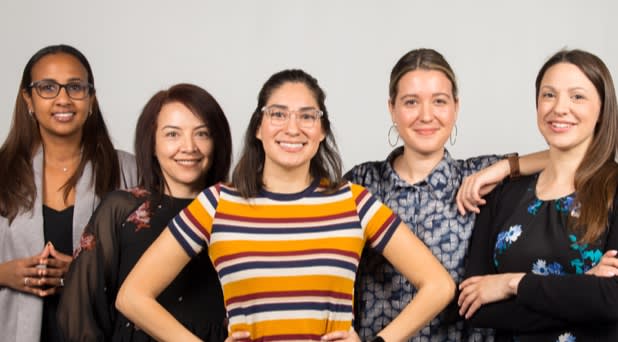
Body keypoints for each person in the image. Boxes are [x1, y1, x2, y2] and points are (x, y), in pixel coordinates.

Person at [115, 69, 455, 342]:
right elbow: (132, 296)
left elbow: (438, 285)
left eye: (307, 116)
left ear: (321, 130)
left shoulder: (354, 201)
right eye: (278, 114)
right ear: (259, 128)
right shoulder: (217, 204)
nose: (293, 128)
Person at [345, 48, 547, 341]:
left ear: (456, 106)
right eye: (411, 102)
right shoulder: (362, 182)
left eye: (439, 101)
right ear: (392, 108)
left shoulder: (479, 178)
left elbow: (585, 156)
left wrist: (504, 167)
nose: (426, 115)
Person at [458, 49, 618, 341]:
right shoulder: (504, 194)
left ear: (602, 109)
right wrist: (581, 289)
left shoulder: (614, 190)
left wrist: (511, 283)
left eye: (577, 96)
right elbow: (476, 307)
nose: (560, 108)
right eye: (549, 95)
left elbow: (611, 301)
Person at [57, 83, 232, 341]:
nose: (189, 147)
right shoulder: (122, 210)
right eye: (173, 134)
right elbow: (81, 310)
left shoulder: (237, 209)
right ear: (151, 142)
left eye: (202, 134)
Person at [0, 44, 137, 342]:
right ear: (28, 99)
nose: (63, 99)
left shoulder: (128, 171)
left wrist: (82, 275)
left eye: (75, 87)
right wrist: (3, 274)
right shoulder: (2, 171)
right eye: (47, 87)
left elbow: (156, 271)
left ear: (91, 99)